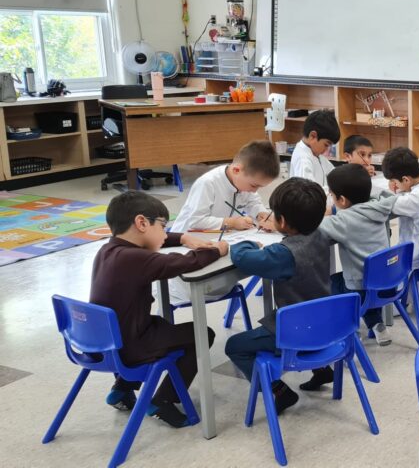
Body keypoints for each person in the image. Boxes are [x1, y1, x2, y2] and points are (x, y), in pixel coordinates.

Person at [90, 191, 228, 427]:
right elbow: (187, 262)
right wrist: (217, 249)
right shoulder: (135, 258)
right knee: (201, 334)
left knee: (162, 325)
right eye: (163, 226)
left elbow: (156, 242)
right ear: (142, 223)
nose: (165, 234)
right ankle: (163, 400)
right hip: (130, 347)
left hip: (104, 344)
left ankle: (122, 389)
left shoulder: (107, 250)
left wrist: (183, 238)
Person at [224, 178, 333, 412]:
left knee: (234, 346)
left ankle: (279, 391)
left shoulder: (283, 254)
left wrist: (247, 243)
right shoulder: (321, 234)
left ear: (282, 221)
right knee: (303, 313)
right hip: (326, 324)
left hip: (296, 331)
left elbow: (243, 258)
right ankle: (322, 369)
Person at [167, 139, 279, 303]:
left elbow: (253, 202)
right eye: (254, 185)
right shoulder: (208, 183)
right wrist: (231, 222)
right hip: (188, 251)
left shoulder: (243, 181)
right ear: (236, 170)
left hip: (218, 246)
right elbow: (195, 221)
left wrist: (261, 214)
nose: (254, 190)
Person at [319, 164, 397, 346]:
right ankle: (376, 323)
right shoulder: (379, 208)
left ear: (342, 200)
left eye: (331, 195)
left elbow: (313, 228)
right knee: (364, 279)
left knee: (331, 284)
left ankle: (349, 330)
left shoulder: (344, 221)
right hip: (388, 285)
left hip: (360, 292)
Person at [381, 147, 419, 274]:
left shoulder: (414, 199)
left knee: (383, 264)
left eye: (395, 181)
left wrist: (396, 191)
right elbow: (408, 193)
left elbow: (388, 203)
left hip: (414, 257)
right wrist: (400, 187)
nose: (394, 185)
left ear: (406, 180)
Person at [288, 109, 339, 195]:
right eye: (326, 145)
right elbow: (308, 192)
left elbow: (334, 172)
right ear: (313, 136)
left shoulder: (315, 153)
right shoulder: (303, 159)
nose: (327, 150)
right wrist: (333, 191)